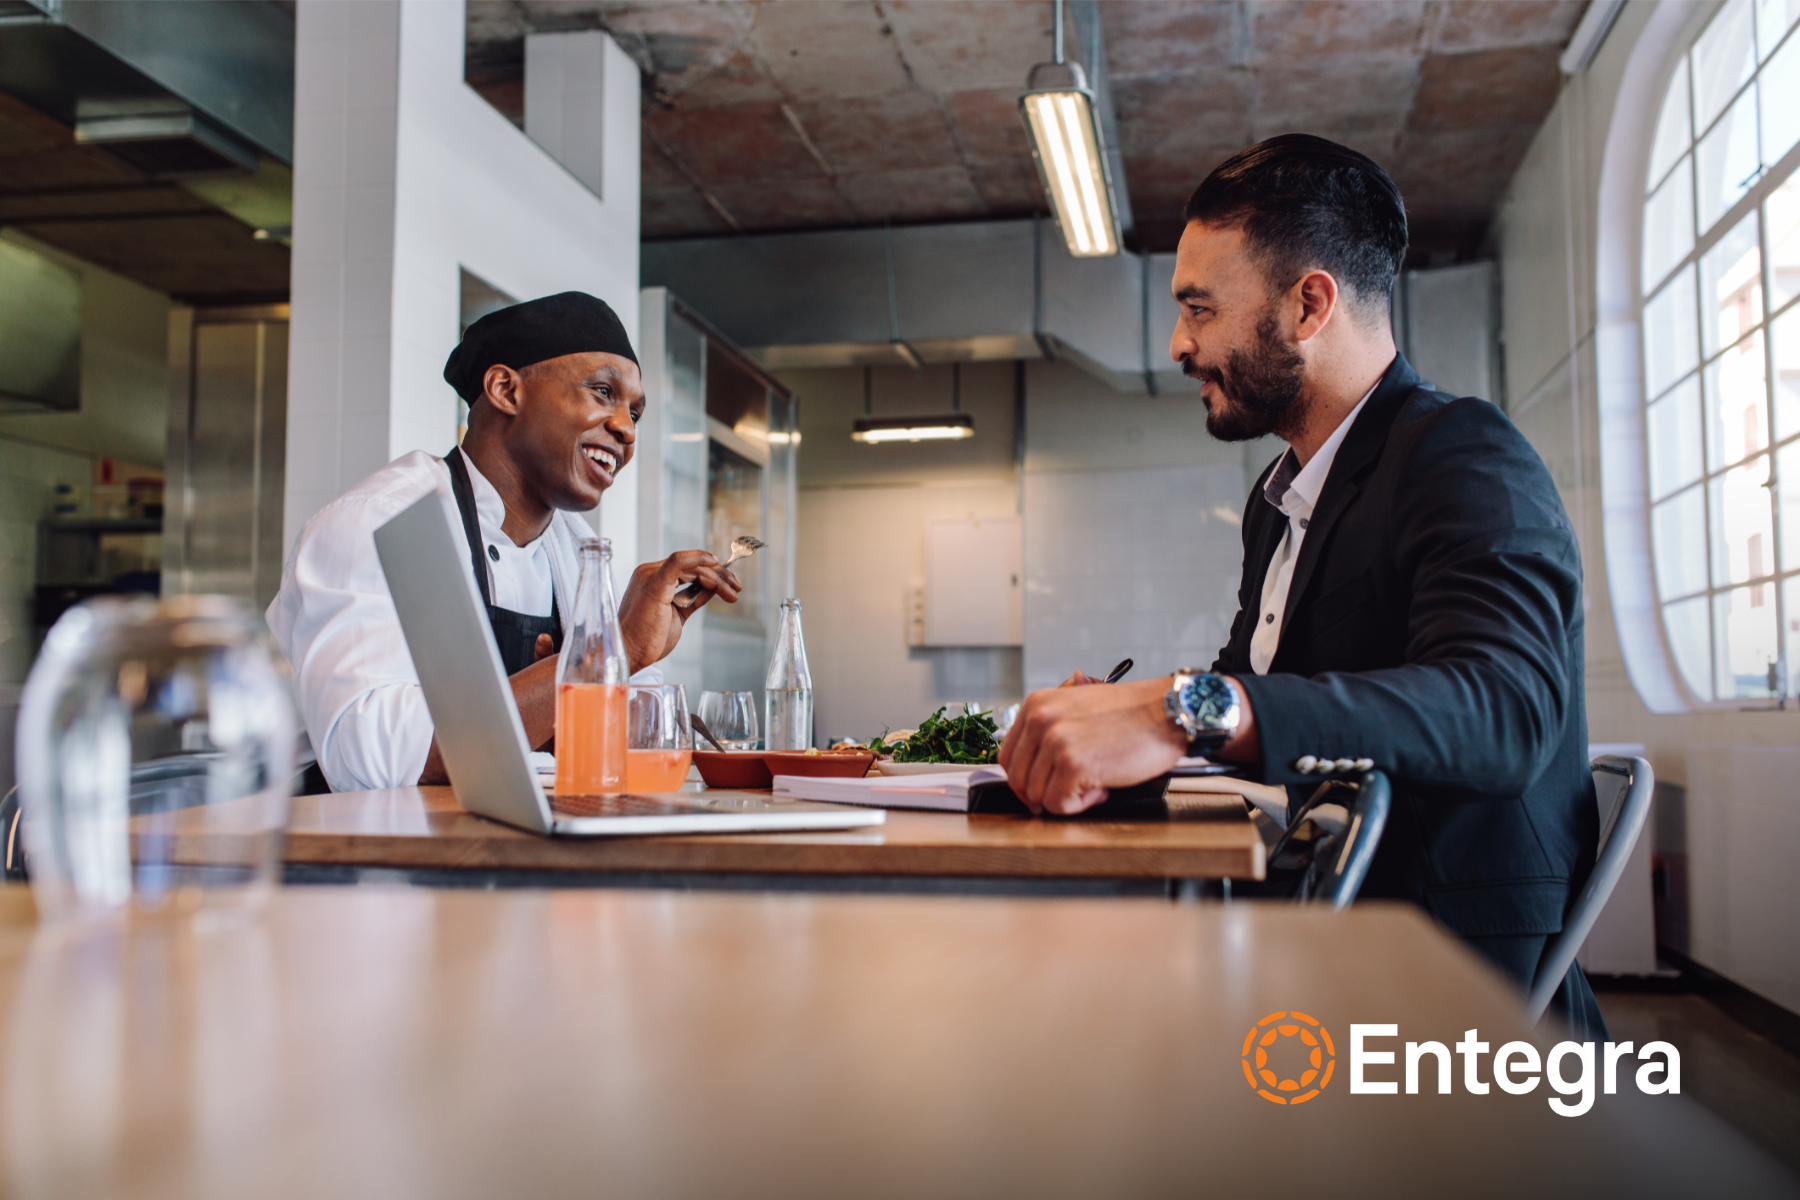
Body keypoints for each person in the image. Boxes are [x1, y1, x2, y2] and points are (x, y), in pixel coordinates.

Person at [996, 135, 1605, 1037]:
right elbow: (1255, 687)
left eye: (1199, 309)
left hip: (1451, 975)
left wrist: (1177, 710)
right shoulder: (1280, 499)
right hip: (1335, 917)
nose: (1179, 344)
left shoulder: (1461, 452)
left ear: (1309, 304)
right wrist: (1125, 715)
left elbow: (1502, 713)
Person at [267, 292, 742, 792]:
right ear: (505, 389)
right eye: (603, 391)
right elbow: (370, 760)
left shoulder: (578, 552)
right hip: (347, 836)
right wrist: (609, 652)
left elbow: (633, 752)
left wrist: (633, 659)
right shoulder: (381, 523)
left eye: (635, 414)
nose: (626, 429)